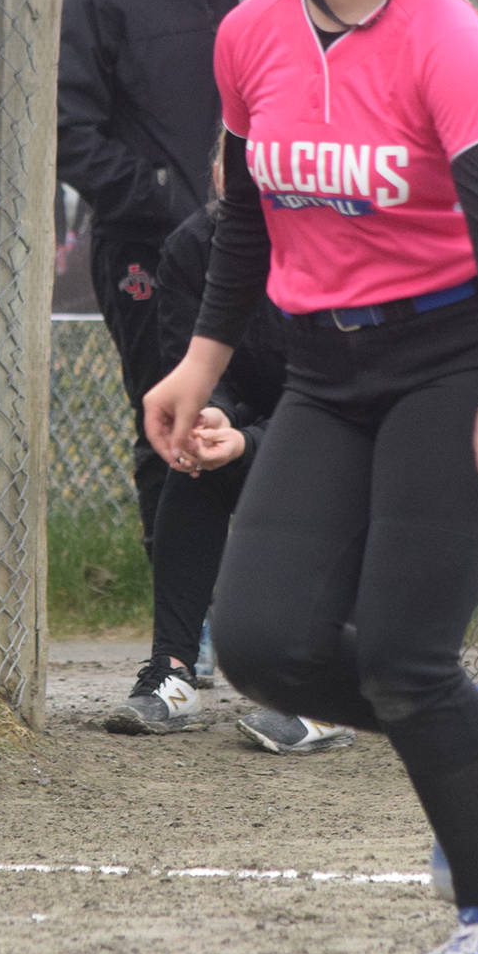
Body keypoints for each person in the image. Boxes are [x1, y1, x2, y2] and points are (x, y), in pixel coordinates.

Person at [143, 0, 478, 954]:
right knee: (263, 648)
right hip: (324, 372)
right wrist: (199, 365)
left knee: (399, 657)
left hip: (448, 364)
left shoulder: (445, 37)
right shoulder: (249, 33)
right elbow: (245, 230)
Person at [105, 140, 353, 758]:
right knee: (188, 464)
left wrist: (248, 440)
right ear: (216, 169)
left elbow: (344, 399)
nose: (243, 174)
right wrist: (211, 418)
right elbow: (195, 365)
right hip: (260, 426)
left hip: (349, 440)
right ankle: (172, 673)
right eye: (229, 159)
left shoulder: (341, 244)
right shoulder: (193, 247)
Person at [56, 0, 248, 562]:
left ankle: (258, 594)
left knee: (261, 414)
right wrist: (172, 199)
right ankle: (185, 620)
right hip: (148, 248)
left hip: (261, 236)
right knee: (171, 417)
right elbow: (71, 136)